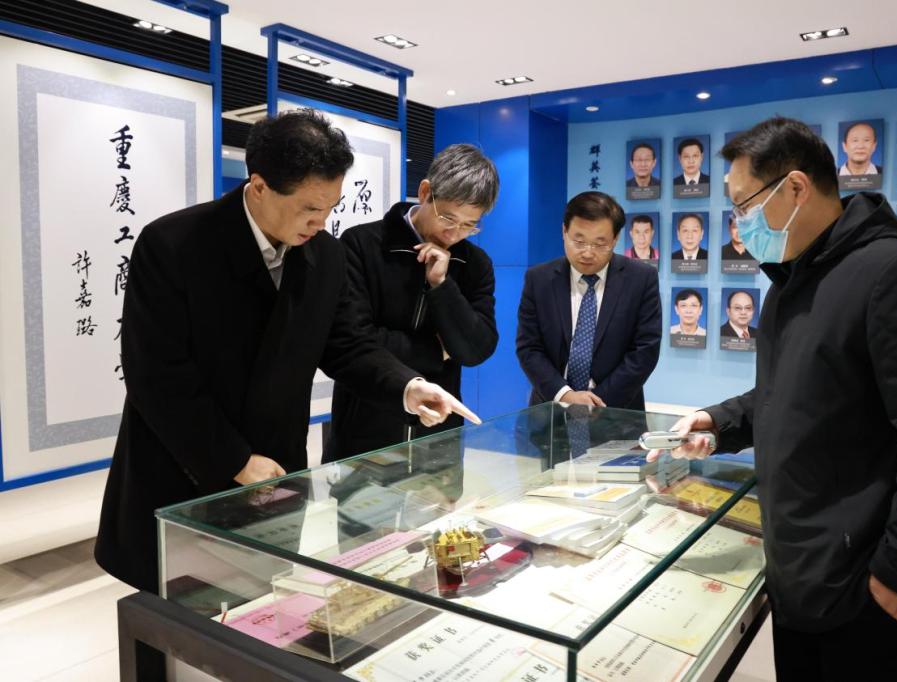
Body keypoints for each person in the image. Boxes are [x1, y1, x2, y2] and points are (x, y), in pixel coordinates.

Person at [648, 117, 897, 682]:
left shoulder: (896, 275)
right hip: (802, 567)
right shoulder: (794, 281)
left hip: (863, 582)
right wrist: (718, 421)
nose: (739, 223)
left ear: (796, 188)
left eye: (744, 205)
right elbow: (791, 391)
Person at [95, 110, 476, 595]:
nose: (321, 222)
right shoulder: (174, 244)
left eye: (331, 207)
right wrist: (234, 459)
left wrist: (407, 386)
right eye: (309, 208)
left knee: (257, 606)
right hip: (185, 467)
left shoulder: (325, 254)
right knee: (174, 614)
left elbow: (346, 344)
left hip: (275, 471)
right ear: (259, 186)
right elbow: (157, 374)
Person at [324, 144, 500, 462]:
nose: (455, 233)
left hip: (439, 440)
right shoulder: (362, 245)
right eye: (448, 217)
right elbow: (354, 342)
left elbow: (476, 349)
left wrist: (441, 285)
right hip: (364, 436)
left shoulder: (475, 264)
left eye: (469, 225)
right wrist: (437, 352)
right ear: (425, 192)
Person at [516, 191, 661, 410]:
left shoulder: (641, 279)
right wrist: (565, 395)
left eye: (600, 244)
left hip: (617, 411)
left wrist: (594, 402)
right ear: (564, 231)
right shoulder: (539, 279)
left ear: (615, 239)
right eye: (579, 241)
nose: (587, 253)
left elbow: (645, 351)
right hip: (551, 409)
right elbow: (529, 348)